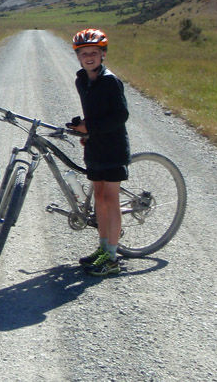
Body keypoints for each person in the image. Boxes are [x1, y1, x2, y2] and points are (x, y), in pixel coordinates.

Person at [67, 28, 130, 276]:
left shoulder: (110, 80)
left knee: (110, 201)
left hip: (113, 147)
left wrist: (90, 127)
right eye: (84, 53)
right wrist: (84, 128)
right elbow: (94, 112)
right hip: (95, 145)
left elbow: (121, 115)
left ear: (103, 54)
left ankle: (112, 258)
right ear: (78, 56)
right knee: (99, 201)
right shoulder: (82, 80)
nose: (89, 57)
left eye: (94, 52)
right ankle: (103, 249)